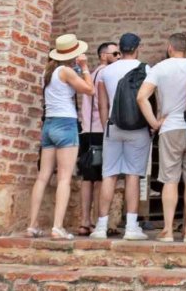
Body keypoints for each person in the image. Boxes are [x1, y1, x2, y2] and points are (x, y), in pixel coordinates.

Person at [26, 34, 95, 240]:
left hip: (49, 124)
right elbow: (89, 90)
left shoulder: (48, 72)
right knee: (64, 178)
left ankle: (32, 225)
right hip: (66, 124)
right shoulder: (67, 71)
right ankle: (57, 227)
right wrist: (85, 67)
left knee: (43, 177)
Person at [137, 33, 186, 243]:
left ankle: (167, 230)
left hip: (170, 127)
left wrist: (154, 123)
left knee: (170, 179)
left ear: (169, 47)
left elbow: (141, 97)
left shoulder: (160, 68)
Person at [90, 33, 151, 240]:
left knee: (109, 175)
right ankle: (132, 227)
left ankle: (101, 226)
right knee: (133, 175)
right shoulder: (146, 69)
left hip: (113, 127)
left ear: (120, 49)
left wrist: (107, 124)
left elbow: (102, 104)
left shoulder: (106, 71)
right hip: (138, 128)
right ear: (137, 48)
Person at [77, 41, 120, 236]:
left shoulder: (92, 74)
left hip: (86, 130)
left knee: (88, 178)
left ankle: (85, 221)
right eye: (115, 53)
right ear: (103, 56)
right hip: (100, 130)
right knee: (102, 178)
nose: (118, 56)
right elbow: (106, 103)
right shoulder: (105, 74)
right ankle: (97, 221)